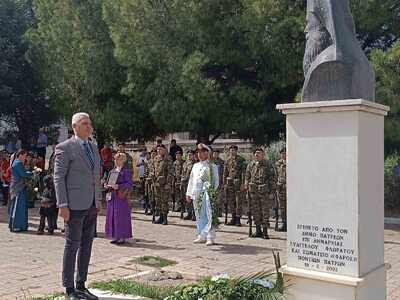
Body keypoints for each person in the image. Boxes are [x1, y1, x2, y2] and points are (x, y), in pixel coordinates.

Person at [54, 112, 101, 300]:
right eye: (85, 123)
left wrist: (97, 200)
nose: (89, 126)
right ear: (75, 126)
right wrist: (62, 204)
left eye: (90, 123)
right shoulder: (65, 148)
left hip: (90, 204)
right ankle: (69, 289)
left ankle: (81, 284)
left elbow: (95, 176)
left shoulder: (93, 147)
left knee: (87, 245)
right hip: (73, 205)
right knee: (72, 245)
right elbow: (58, 178)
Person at [186, 144, 219, 246]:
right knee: (199, 215)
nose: (199, 154)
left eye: (201, 152)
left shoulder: (212, 166)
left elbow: (216, 181)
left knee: (209, 215)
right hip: (196, 193)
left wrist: (211, 193)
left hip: (207, 194)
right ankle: (201, 235)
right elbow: (191, 180)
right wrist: (188, 193)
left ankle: (210, 237)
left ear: (207, 153)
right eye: (198, 152)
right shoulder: (195, 166)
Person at [105, 152, 133, 244]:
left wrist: (119, 186)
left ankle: (122, 236)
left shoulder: (126, 171)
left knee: (121, 216)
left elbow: (129, 183)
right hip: (112, 196)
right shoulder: (112, 171)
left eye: (119, 159)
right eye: (116, 159)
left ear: (123, 161)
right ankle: (115, 236)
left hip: (121, 196)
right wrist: (106, 185)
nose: (117, 161)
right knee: (112, 216)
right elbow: (108, 181)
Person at [245, 148, 274, 239]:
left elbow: (273, 178)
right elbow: (247, 176)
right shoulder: (251, 165)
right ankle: (258, 230)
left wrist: (271, 191)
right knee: (255, 211)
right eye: (256, 154)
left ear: (263, 155)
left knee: (265, 211)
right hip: (253, 192)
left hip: (264, 192)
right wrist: (246, 184)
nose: (257, 155)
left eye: (259, 153)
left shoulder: (268, 165)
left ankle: (265, 231)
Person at [8, 150, 33, 232]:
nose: (26, 158)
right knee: (17, 207)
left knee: (21, 207)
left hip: (20, 187)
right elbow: (23, 174)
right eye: (25, 156)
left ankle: (21, 225)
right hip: (17, 188)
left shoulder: (17, 162)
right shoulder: (18, 163)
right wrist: (32, 173)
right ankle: (16, 226)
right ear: (20, 155)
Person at [223, 145, 247, 226]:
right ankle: (233, 218)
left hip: (238, 183)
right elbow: (225, 172)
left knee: (238, 201)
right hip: (229, 183)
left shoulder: (241, 160)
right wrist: (224, 184)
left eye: (234, 150)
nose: (232, 152)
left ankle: (238, 219)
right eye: (231, 150)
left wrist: (243, 183)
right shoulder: (227, 160)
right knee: (231, 201)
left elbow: (244, 173)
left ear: (236, 151)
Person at [150, 144, 174, 225]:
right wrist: (152, 175)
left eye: (160, 149)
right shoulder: (155, 158)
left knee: (164, 201)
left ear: (164, 150)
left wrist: (168, 183)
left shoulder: (168, 158)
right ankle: (160, 217)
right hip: (156, 183)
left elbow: (170, 172)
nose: (158, 151)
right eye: (157, 149)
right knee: (158, 201)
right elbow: (152, 168)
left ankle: (165, 218)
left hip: (164, 184)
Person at [181, 150, 196, 220]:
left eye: (191, 155)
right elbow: (182, 173)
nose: (189, 156)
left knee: (193, 199)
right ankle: (189, 213)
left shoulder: (196, 164)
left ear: (193, 155)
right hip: (185, 183)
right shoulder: (185, 163)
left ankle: (194, 214)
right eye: (188, 155)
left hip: (193, 184)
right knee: (187, 199)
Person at [276, 147, 287, 232]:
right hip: (281, 187)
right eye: (282, 153)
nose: (283, 155)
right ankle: (284, 223)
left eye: (285, 153)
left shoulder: (293, 162)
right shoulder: (278, 163)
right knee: (282, 207)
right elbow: (275, 175)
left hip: (290, 188)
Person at [173, 150, 185, 217]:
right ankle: (178, 206)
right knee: (177, 194)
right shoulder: (174, 163)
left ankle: (183, 207)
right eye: (176, 155)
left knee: (182, 195)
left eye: (179, 155)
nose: (177, 156)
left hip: (182, 181)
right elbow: (173, 171)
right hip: (176, 181)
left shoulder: (184, 162)